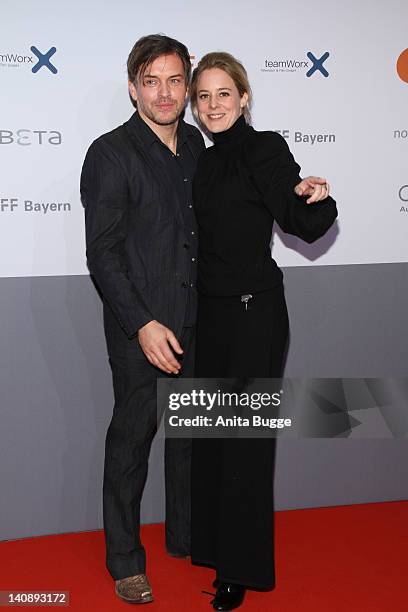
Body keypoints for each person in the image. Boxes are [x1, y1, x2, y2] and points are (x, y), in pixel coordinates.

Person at [189, 52, 338, 610]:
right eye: (203, 96)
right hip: (211, 315)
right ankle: (209, 547)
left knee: (245, 446)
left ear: (244, 97)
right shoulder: (198, 162)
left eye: (223, 93)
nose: (213, 105)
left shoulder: (265, 148)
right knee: (209, 437)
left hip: (256, 316)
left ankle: (239, 571)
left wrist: (313, 199)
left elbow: (294, 209)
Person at [80, 34, 205, 604]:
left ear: (187, 86)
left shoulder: (200, 149)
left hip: (200, 321)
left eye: (175, 80)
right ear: (133, 88)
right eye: (151, 80)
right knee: (131, 443)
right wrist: (142, 325)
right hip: (143, 332)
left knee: (192, 438)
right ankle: (125, 559)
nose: (164, 92)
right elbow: (102, 253)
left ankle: (187, 537)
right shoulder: (109, 153)